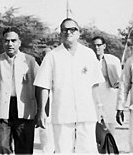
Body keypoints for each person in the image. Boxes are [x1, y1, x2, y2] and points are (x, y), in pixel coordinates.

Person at [34, 18, 104, 153]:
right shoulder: (52, 56)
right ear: (60, 33)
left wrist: (99, 108)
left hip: (86, 112)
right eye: (65, 30)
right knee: (63, 150)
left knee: (88, 150)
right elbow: (43, 86)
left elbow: (94, 84)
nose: (68, 32)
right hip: (62, 113)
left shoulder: (88, 54)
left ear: (79, 33)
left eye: (72, 29)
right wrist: (42, 111)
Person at [0, 27, 39, 154]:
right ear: (3, 42)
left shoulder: (30, 61)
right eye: (6, 41)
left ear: (19, 42)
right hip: (2, 110)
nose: (10, 44)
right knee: (1, 146)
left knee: (24, 149)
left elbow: (39, 87)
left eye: (13, 40)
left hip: (24, 110)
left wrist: (41, 111)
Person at [92, 36, 122, 135]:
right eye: (94, 45)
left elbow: (119, 81)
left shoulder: (113, 60)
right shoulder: (88, 61)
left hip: (109, 96)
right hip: (94, 97)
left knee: (109, 126)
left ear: (104, 46)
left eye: (99, 45)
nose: (96, 47)